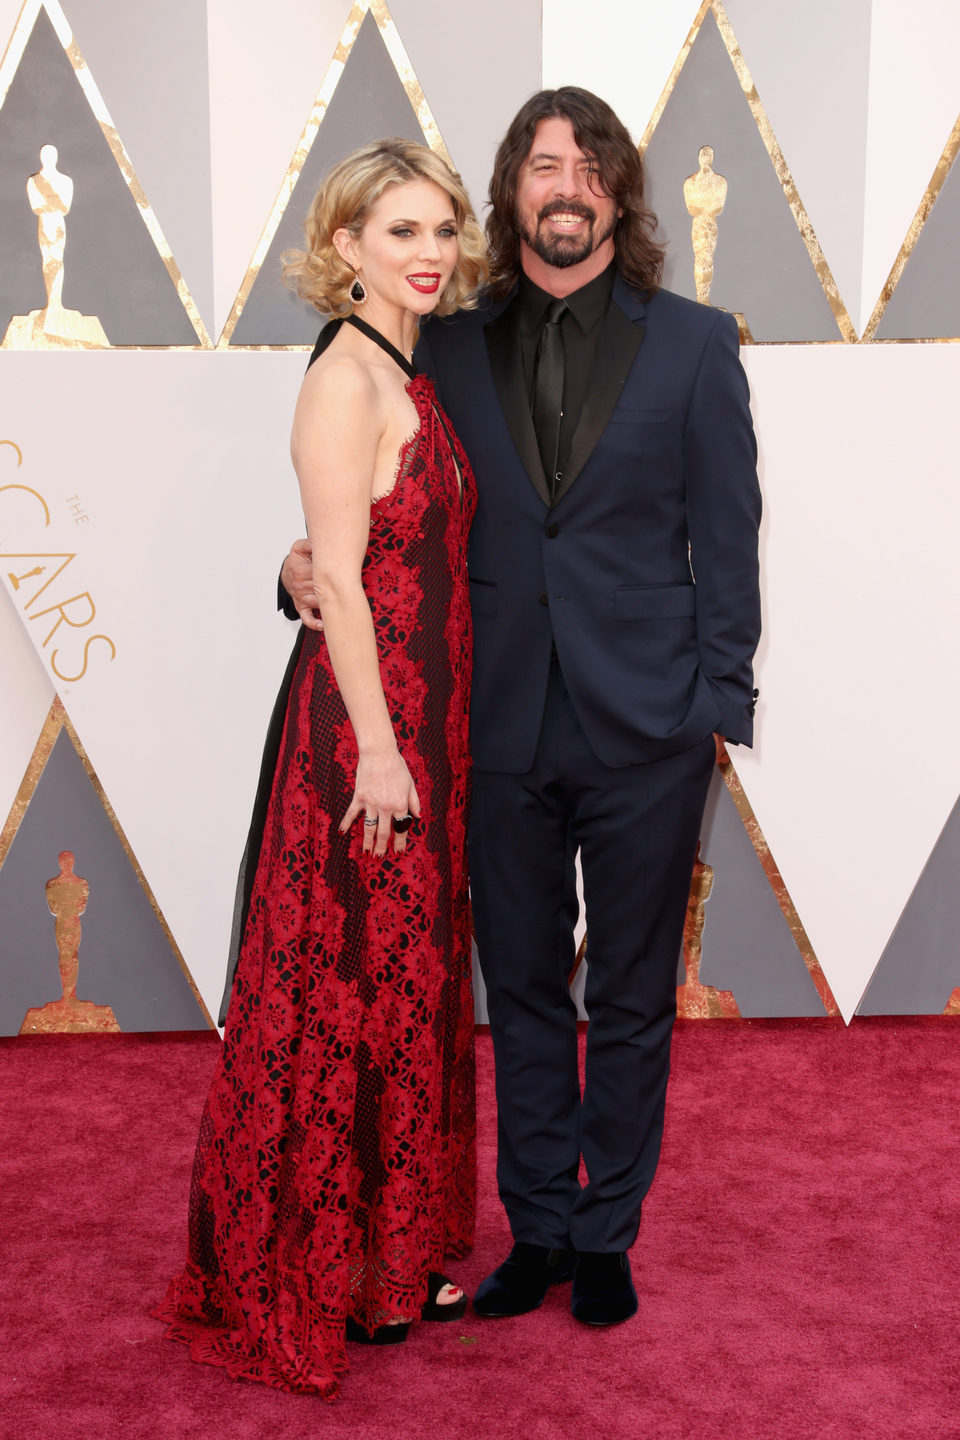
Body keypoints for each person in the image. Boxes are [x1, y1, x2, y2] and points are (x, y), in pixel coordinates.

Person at [280, 88, 761, 1330]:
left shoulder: (699, 344)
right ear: (514, 189)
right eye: (543, 164)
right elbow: (371, 519)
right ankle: (539, 1228)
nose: (566, 185)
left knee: (636, 993)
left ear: (618, 192)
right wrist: (291, 579)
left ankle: (609, 1235)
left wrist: (718, 701)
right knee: (524, 989)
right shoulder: (432, 337)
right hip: (483, 726)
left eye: (589, 165)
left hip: (651, 726)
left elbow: (731, 538)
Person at [154, 138, 488, 1398]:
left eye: (444, 229)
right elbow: (340, 578)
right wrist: (385, 750)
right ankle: (336, 1269)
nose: (431, 253)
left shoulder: (406, 359)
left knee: (401, 982)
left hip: (420, 728)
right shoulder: (347, 378)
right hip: (370, 738)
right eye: (402, 231)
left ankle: (388, 1263)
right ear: (344, 245)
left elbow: (360, 555)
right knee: (351, 990)